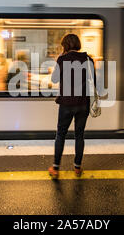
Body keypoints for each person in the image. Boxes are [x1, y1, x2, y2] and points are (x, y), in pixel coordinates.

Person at [48, 34, 96, 179]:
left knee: (60, 135)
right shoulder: (88, 59)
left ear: (65, 46)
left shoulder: (62, 59)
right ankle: (77, 167)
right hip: (83, 104)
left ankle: (55, 168)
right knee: (79, 135)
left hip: (66, 104)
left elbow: (54, 79)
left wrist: (61, 60)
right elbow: (94, 79)